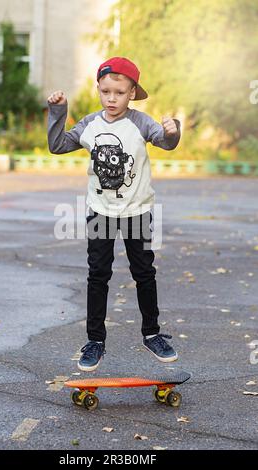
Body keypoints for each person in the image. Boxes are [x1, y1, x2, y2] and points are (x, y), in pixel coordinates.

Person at [47, 56, 181, 372]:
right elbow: (57, 145)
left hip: (137, 211)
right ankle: (95, 341)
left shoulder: (141, 122)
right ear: (99, 89)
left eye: (119, 93)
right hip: (100, 212)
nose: (111, 99)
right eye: (105, 91)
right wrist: (58, 112)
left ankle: (152, 334)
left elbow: (165, 142)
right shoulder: (90, 124)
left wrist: (172, 132)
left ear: (132, 92)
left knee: (144, 272)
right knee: (98, 274)